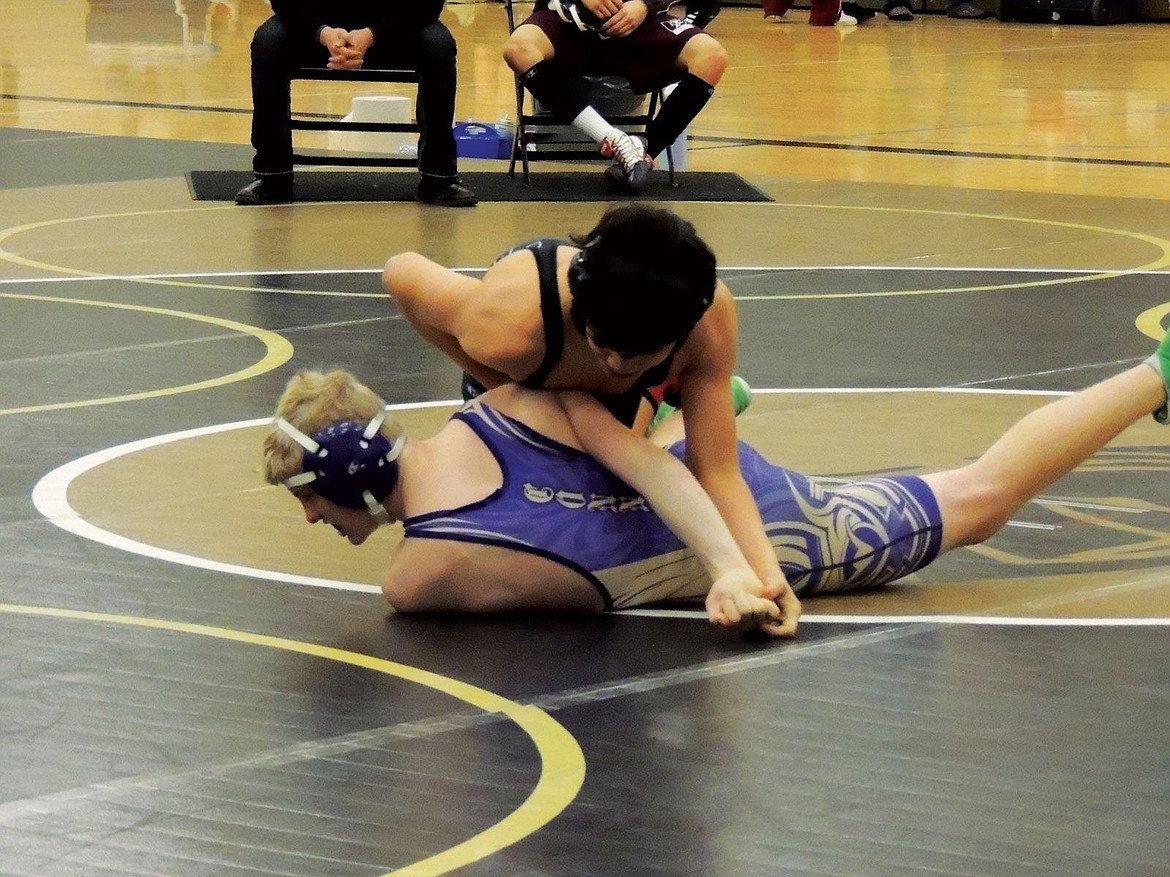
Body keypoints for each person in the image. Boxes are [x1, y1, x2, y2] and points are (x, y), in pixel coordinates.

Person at [260, 327, 1170, 635]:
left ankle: (1160, 371)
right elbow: (633, 462)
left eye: (308, 495)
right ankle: (696, 406)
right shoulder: (513, 401)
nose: (309, 518)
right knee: (643, 441)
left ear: (349, 468)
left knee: (978, 500)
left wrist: (738, 566)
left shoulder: (420, 577)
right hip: (704, 489)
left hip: (761, 530)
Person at [382, 204, 787, 613]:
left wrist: (768, 577)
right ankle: (665, 407)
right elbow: (400, 272)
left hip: (599, 391)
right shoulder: (506, 327)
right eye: (603, 344)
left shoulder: (708, 321)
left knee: (621, 470)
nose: (616, 365)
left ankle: (681, 405)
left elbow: (716, 470)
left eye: (638, 355)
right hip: (526, 367)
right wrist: (504, 384)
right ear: (583, 312)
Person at [236, 0, 478, 208]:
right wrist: (323, 33)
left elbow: (429, 5)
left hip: (394, 31)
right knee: (268, 41)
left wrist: (373, 34)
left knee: (438, 44)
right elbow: (283, 3)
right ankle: (272, 176)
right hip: (317, 32)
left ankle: (438, 178)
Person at [502, 0, 728, 191]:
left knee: (712, 56)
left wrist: (645, 4)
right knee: (519, 48)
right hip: (564, 19)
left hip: (642, 22)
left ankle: (644, 149)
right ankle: (612, 138)